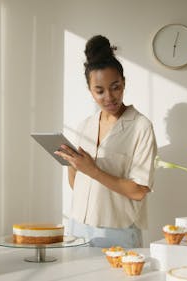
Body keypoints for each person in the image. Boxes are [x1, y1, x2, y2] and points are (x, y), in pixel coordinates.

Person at [54, 35, 157, 248]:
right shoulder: (84, 126)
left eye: (115, 87)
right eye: (99, 91)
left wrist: (93, 170)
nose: (109, 97)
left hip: (118, 229)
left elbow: (138, 191)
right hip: (78, 226)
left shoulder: (141, 127)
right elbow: (75, 182)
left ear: (124, 83)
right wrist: (75, 165)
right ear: (90, 91)